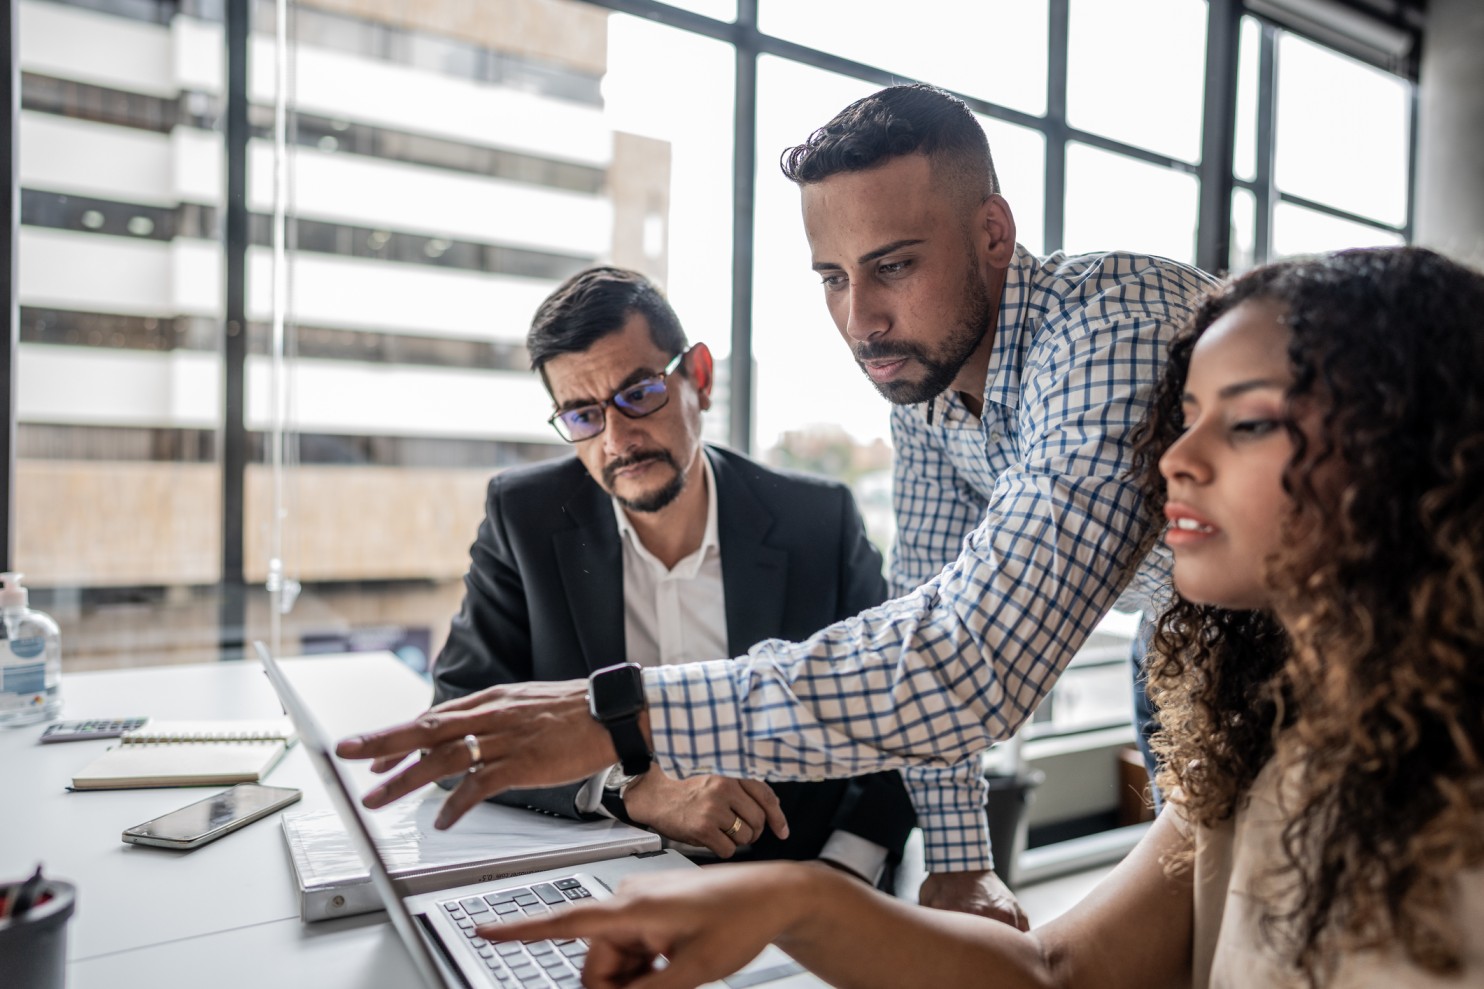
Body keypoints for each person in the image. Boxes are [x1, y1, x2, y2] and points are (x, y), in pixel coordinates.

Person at [482, 246, 1484, 989]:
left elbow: (948, 662)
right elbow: (1050, 969)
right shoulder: (1251, 748)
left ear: (1418, 455)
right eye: (1183, 415)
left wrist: (632, 714)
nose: (1172, 459)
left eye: (1249, 418)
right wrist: (793, 903)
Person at [336, 83, 1215, 927]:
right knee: (1219, 920)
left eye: (893, 266)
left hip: (1314, 630)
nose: (860, 319)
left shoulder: (1106, 330)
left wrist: (623, 718)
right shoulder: (928, 386)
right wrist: (956, 861)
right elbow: (925, 607)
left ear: (992, 232)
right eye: (831, 278)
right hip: (1181, 638)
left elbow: (965, 660)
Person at [432, 265, 919, 885]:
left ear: (700, 379)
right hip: (605, 879)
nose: (617, 440)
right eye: (582, 415)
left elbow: (898, 711)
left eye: (638, 394)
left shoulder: (819, 520)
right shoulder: (523, 516)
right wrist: (624, 789)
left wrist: (839, 882)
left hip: (790, 880)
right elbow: (457, 729)